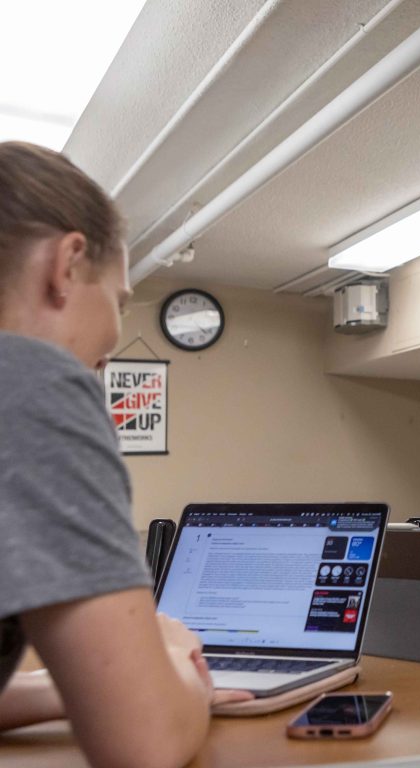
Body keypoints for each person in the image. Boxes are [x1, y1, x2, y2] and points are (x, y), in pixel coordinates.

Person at [0, 141, 250, 768]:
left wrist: (83, 688)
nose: (110, 346)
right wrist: (175, 665)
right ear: (67, 263)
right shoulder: (34, 381)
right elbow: (144, 745)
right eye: (118, 300)